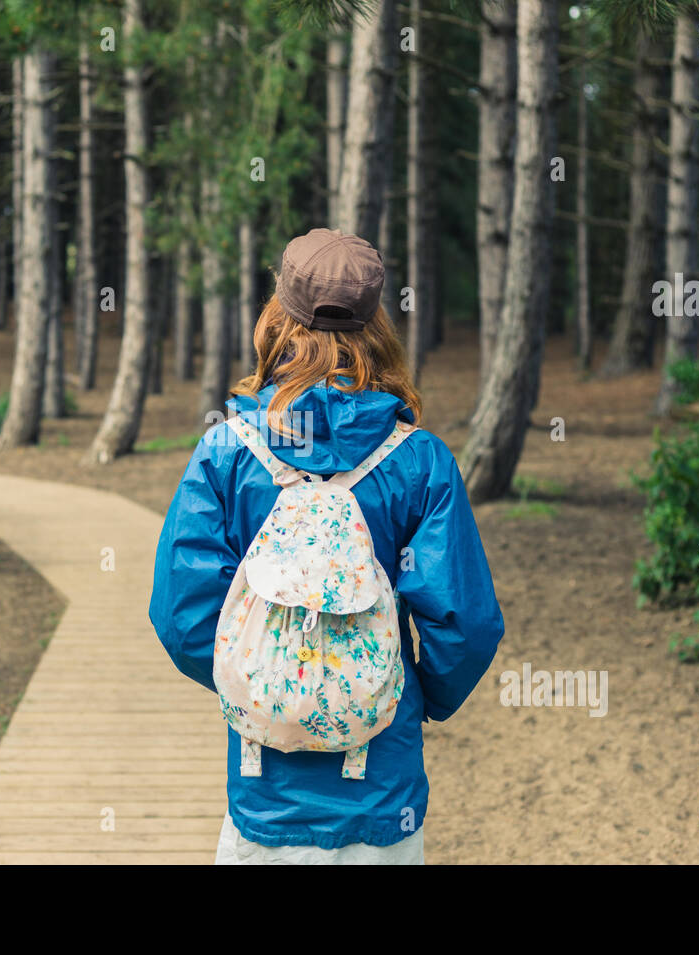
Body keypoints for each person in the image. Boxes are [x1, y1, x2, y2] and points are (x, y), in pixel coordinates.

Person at [150, 228, 504, 864]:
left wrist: (261, 685)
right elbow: (465, 624)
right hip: (380, 793)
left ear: (277, 319)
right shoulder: (420, 460)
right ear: (377, 326)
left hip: (264, 794)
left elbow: (182, 615)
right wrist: (410, 695)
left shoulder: (229, 450)